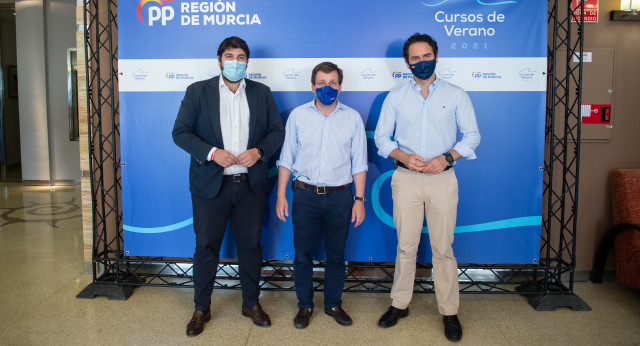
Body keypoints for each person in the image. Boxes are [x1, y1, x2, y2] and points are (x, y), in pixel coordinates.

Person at [172, 36, 285, 337]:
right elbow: (180, 133)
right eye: (229, 56)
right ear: (219, 60)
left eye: (241, 57)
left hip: (250, 185)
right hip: (211, 186)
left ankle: (251, 303)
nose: (235, 62)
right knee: (206, 247)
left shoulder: (262, 93)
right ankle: (201, 308)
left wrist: (259, 152)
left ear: (248, 62)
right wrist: (212, 153)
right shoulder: (197, 91)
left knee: (250, 247)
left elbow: (277, 131)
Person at [374, 33, 481, 342]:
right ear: (407, 62)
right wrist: (402, 155)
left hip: (442, 181)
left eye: (427, 56)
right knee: (406, 246)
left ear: (437, 56)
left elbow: (472, 135)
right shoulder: (395, 96)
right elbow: (382, 138)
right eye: (415, 58)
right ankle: (400, 304)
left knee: (443, 249)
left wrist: (448, 157)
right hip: (405, 180)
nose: (422, 62)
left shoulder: (457, 94)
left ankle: (449, 311)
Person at [275, 62, 368, 329]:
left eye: (333, 82)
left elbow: (359, 163)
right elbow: (286, 160)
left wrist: (359, 200)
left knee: (337, 255)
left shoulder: (352, 118)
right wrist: (281, 195)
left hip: (341, 196)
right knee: (302, 254)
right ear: (312, 86)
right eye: (321, 82)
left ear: (340, 85)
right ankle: (304, 305)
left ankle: (333, 303)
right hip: (304, 195)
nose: (327, 87)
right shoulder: (298, 116)